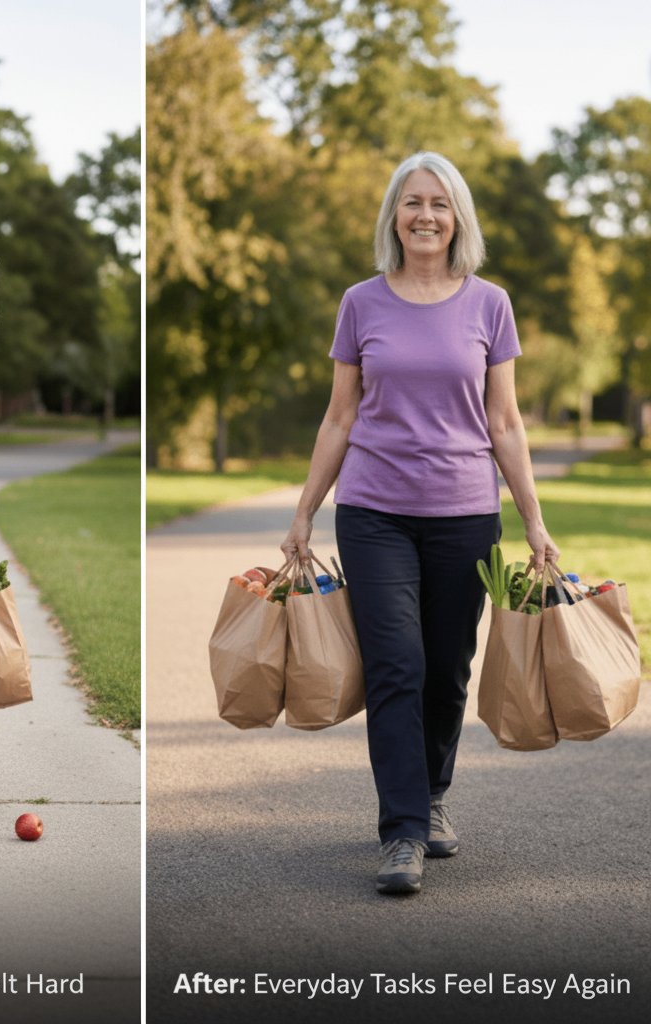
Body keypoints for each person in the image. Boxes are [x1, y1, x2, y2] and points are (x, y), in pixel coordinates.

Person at [281, 152, 559, 894]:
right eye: (412, 202)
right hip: (373, 512)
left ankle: (433, 797)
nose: (426, 215)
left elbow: (505, 423)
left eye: (440, 203)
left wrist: (533, 520)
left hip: (466, 515)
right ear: (394, 216)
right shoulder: (361, 302)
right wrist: (306, 509)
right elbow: (340, 416)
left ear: (458, 216)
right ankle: (401, 831)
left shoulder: (490, 304)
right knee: (396, 667)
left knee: (446, 670)